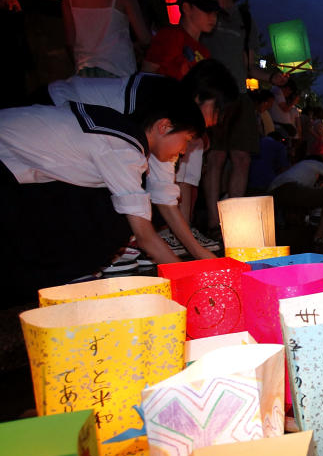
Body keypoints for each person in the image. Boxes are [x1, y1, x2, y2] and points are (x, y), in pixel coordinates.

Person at [0, 92, 205, 306]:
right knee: (122, 217)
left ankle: (66, 273)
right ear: (164, 126)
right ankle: (62, 276)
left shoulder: (123, 133)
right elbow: (144, 236)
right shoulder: (123, 148)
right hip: (5, 156)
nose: (183, 152)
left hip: (16, 166)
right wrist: (192, 284)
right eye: (186, 141)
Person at [45, 60, 238, 258]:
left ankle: (105, 255)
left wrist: (200, 254)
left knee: (137, 200)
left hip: (77, 138)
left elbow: (164, 194)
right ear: (199, 98)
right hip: (55, 114)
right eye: (218, 110)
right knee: (122, 198)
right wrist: (182, 266)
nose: (216, 121)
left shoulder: (172, 119)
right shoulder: (159, 102)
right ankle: (94, 258)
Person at [194, 0, 288, 237]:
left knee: (243, 158)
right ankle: (212, 222)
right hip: (209, 93)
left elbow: (249, 67)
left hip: (239, 94)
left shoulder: (245, 19)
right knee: (216, 158)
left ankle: (231, 222)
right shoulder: (200, 7)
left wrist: (273, 76)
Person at [142, 0, 223, 241]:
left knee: (190, 174)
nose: (213, 17)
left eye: (215, 12)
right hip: (168, 121)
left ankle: (184, 229)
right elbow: (148, 72)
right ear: (186, 8)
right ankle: (169, 229)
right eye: (206, 10)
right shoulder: (170, 37)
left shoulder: (204, 52)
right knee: (170, 173)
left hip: (190, 123)